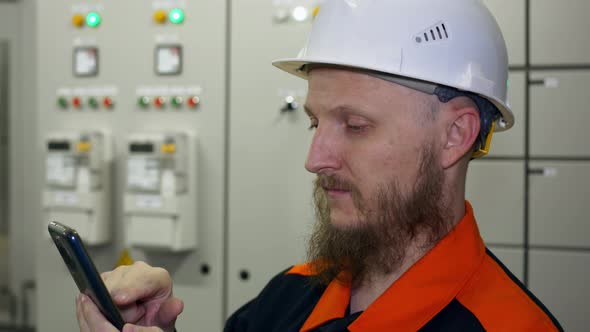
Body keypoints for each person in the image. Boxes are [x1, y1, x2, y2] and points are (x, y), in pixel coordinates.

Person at [76, 0, 563, 331]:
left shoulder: (508, 324)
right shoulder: (292, 296)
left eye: (355, 125)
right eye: (314, 123)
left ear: (455, 135)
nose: (315, 160)